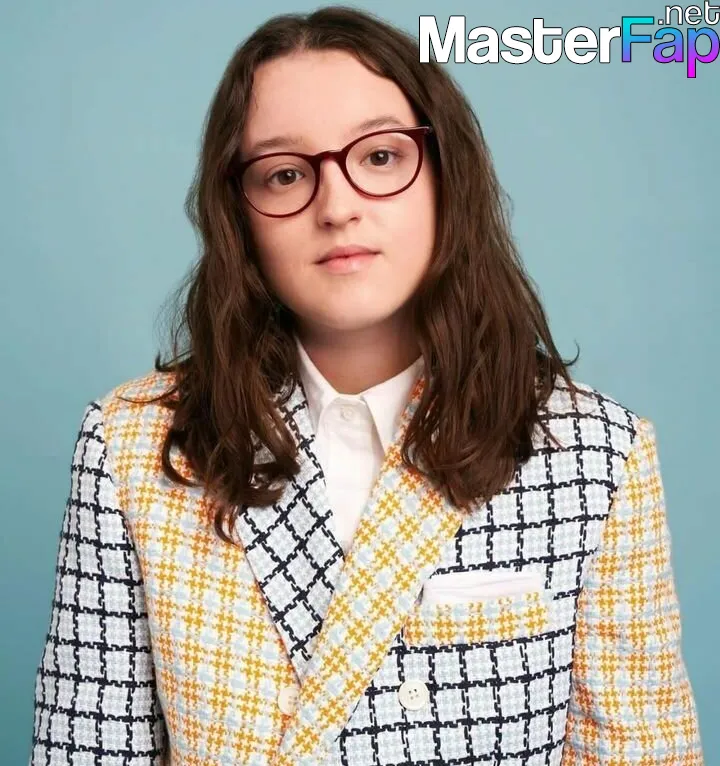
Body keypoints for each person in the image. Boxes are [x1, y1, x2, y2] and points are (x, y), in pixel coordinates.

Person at [28, 6, 703, 765]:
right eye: (286, 174)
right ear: (238, 215)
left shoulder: (596, 456)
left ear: (446, 175)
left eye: (380, 157)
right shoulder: (132, 447)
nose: (338, 207)